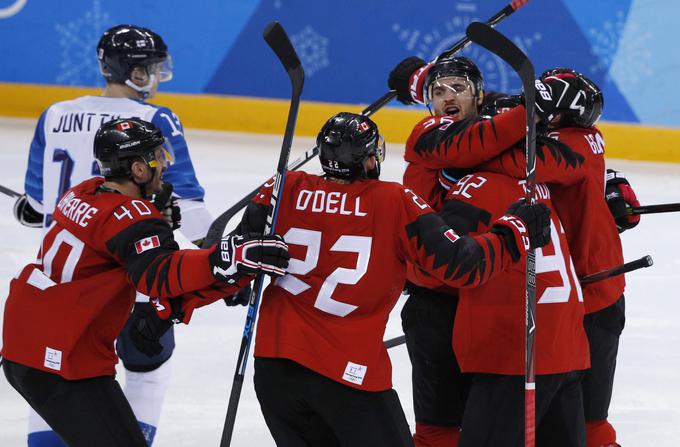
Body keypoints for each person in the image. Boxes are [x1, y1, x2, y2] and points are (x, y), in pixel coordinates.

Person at [235, 112, 551, 446]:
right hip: (349, 375)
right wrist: (513, 233)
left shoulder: (283, 187)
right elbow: (462, 267)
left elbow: (236, 263)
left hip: (274, 370)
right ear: (370, 160)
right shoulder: (392, 200)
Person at [1, 118, 290, 447]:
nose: (165, 162)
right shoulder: (135, 220)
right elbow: (159, 276)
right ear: (138, 169)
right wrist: (223, 259)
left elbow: (115, 238)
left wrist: (155, 225)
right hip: (62, 359)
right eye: (158, 155)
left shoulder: (82, 191)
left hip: (23, 341)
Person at [10, 24, 211, 445]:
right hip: (133, 279)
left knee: (56, 372)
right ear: (134, 70)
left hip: (63, 281)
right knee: (147, 365)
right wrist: (219, 250)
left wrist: (27, 209)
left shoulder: (55, 114)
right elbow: (188, 207)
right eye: (150, 66)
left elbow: (39, 205)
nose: (156, 74)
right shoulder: (154, 120)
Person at [386, 56, 587, 446]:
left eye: (458, 88)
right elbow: (481, 141)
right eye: (437, 91)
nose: (447, 97)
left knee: (482, 419)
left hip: (480, 291)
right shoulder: (430, 133)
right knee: (440, 425)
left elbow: (510, 139)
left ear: (478, 95)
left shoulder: (492, 142)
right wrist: (531, 109)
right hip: (439, 298)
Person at [477, 68, 641, 447]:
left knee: (585, 421)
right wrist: (612, 184)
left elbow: (506, 159)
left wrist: (457, 142)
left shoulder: (562, 144)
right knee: (576, 419)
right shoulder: (586, 137)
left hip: (588, 297)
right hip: (597, 288)